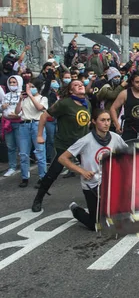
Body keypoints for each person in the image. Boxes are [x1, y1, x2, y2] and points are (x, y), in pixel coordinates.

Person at [58, 109, 127, 230]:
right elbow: (63, 158)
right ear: (94, 121)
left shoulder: (116, 138)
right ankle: (76, 210)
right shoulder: (85, 141)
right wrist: (82, 171)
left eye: (108, 120)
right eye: (102, 120)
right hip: (92, 185)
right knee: (96, 226)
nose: (106, 123)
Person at [32, 79, 92, 212]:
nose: (80, 86)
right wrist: (40, 135)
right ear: (71, 91)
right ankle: (38, 198)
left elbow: (86, 121)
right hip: (65, 145)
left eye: (81, 84)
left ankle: (95, 198)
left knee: (92, 171)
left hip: (82, 145)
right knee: (54, 172)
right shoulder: (64, 103)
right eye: (76, 85)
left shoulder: (87, 103)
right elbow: (44, 116)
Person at [15, 79, 48, 188]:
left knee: (40, 152)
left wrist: (30, 95)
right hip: (24, 125)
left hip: (37, 125)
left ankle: (43, 177)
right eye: (29, 87)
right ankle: (25, 177)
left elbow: (39, 108)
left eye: (32, 87)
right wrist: (20, 100)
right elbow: (17, 112)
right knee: (24, 154)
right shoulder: (24, 99)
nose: (30, 89)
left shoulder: (43, 98)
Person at [1, 75, 24, 177]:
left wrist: (17, 114)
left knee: (22, 147)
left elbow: (26, 109)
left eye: (14, 82)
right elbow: (2, 109)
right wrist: (2, 107)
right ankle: (12, 167)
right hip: (8, 123)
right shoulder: (6, 95)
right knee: (10, 147)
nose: (12, 84)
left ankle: (24, 169)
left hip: (19, 123)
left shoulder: (23, 95)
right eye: (10, 83)